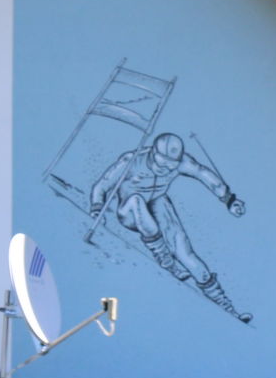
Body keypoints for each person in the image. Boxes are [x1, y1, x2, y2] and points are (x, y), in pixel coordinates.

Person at [89, 133, 250, 322]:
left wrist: (229, 199)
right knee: (136, 201)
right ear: (152, 154)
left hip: (157, 202)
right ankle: (165, 259)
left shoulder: (182, 162)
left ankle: (226, 304)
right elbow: (101, 185)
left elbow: (205, 175)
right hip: (130, 212)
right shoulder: (131, 160)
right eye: (161, 165)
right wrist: (96, 207)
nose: (164, 170)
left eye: (170, 167)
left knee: (185, 252)